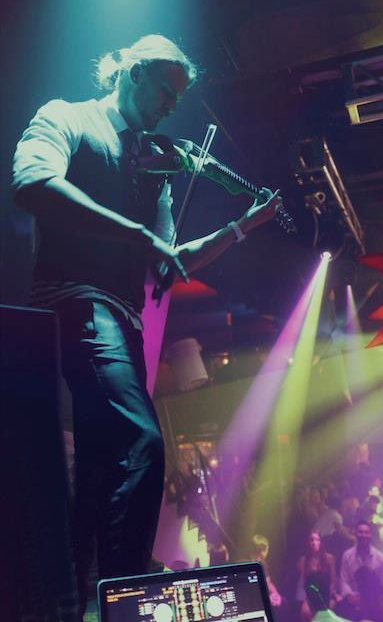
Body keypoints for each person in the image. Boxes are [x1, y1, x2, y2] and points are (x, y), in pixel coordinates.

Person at [12, 34, 284, 618]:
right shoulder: (68, 117)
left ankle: (81, 600)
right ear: (133, 73)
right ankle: (128, 599)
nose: (170, 107)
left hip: (124, 320)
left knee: (100, 470)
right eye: (165, 91)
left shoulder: (153, 167)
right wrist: (133, 232)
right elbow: (31, 182)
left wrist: (243, 226)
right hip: (75, 301)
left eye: (177, 99)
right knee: (142, 441)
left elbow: (167, 261)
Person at [339, 520, 383, 622]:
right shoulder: (347, 556)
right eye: (360, 532)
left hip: (375, 606)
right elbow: (344, 580)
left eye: (366, 532)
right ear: (355, 533)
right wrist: (349, 595)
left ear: (370, 535)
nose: (363, 535)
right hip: (353, 604)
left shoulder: (381, 558)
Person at [297, 530, 337, 621]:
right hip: (311, 596)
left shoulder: (329, 558)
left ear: (321, 542)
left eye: (317, 540)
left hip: (326, 595)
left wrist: (332, 597)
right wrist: (305, 601)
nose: (314, 543)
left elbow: (333, 581)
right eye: (311, 540)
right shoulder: (304, 560)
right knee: (305, 611)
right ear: (308, 543)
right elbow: (303, 583)